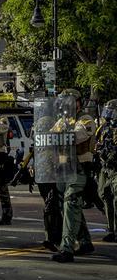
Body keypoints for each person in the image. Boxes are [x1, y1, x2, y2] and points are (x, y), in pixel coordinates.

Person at [53, 89, 96, 263]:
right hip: (65, 168)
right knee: (70, 206)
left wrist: (59, 134)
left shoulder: (85, 119)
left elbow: (78, 136)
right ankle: (85, 242)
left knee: (70, 203)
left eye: (71, 101)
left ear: (79, 102)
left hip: (80, 169)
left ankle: (67, 249)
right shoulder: (63, 121)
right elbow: (50, 134)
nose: (67, 104)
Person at [98, 99, 117, 243]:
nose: (108, 115)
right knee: (104, 194)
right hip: (105, 167)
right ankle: (111, 229)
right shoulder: (104, 128)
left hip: (115, 167)